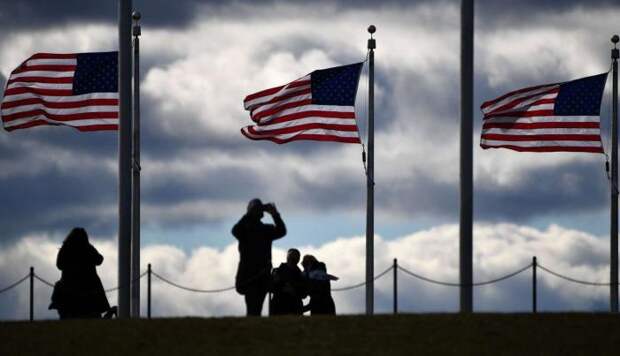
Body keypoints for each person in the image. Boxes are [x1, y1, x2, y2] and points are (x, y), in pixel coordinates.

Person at [232, 198, 286, 316]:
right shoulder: (246, 230)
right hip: (251, 275)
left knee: (255, 307)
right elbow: (235, 230)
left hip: (260, 274)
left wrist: (274, 214)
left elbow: (282, 231)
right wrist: (251, 214)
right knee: (253, 307)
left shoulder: (265, 229)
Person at [48, 227, 115, 319]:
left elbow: (59, 265)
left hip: (69, 285)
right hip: (89, 285)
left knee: (60, 288)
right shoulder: (88, 248)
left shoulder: (66, 248)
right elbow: (99, 260)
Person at [270, 248, 306, 315]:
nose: (293, 259)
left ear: (298, 259)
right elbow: (270, 288)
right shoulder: (276, 271)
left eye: (296, 256)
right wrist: (281, 287)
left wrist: (294, 290)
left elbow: (304, 294)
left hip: (294, 308)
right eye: (291, 256)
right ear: (287, 257)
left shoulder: (302, 275)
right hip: (278, 307)